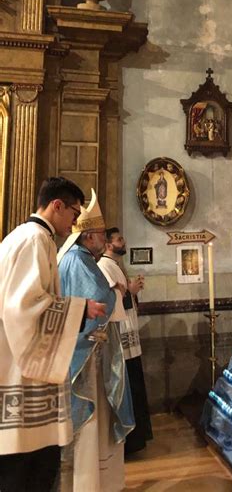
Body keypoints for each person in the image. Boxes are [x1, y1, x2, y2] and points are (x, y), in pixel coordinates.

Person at [0, 176, 106, 492]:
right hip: (20, 375)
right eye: (74, 213)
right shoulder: (34, 240)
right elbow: (22, 308)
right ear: (56, 206)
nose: (75, 222)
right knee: (28, 472)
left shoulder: (22, 237)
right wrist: (79, 309)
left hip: (17, 368)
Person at [58, 190, 134, 492]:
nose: (104, 239)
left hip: (90, 351)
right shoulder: (78, 261)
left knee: (99, 424)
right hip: (87, 355)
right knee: (92, 423)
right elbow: (99, 300)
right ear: (88, 237)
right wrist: (117, 289)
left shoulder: (79, 258)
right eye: (101, 234)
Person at [98, 228, 153, 455]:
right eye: (119, 239)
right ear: (109, 244)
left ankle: (139, 439)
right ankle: (129, 442)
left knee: (136, 385)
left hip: (130, 334)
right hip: (119, 336)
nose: (124, 241)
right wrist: (127, 291)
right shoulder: (103, 265)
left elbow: (124, 297)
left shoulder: (117, 265)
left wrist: (132, 292)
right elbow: (109, 299)